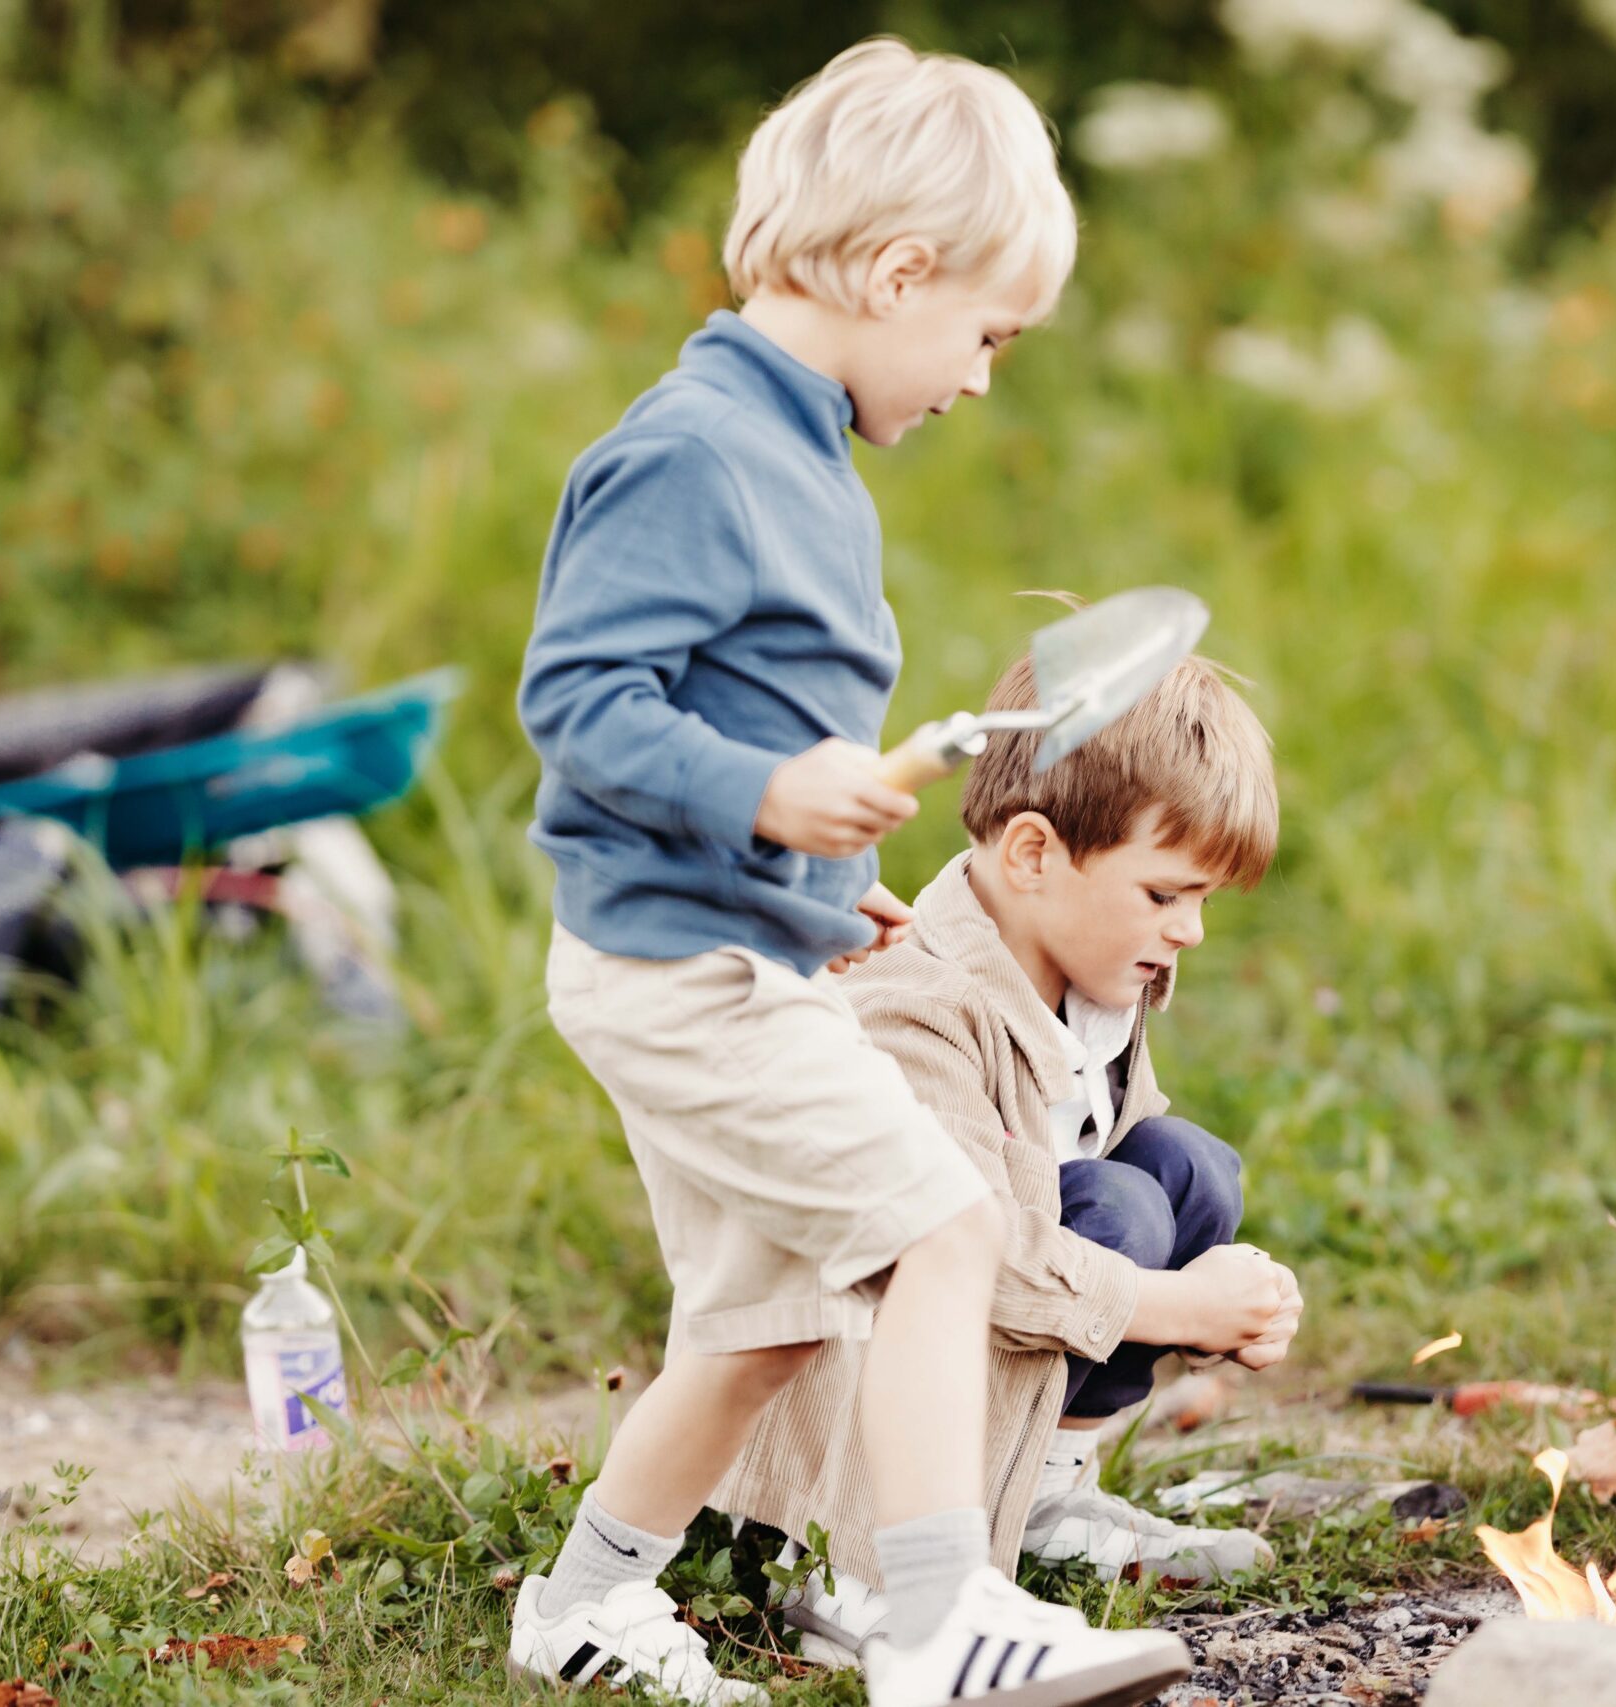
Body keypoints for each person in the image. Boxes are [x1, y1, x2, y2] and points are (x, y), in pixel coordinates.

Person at [508, 40, 1190, 1704]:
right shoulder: (693, 453)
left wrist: (822, 893)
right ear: (897, 272)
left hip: (735, 947)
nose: (980, 376)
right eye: (985, 333)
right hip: (674, 973)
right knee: (946, 1228)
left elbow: (750, 736)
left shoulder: (802, 455)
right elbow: (580, 705)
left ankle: (584, 1605)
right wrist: (759, 793)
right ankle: (939, 1617)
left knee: (766, 1325)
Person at [716, 642, 1300, 1661]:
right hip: (842, 1415)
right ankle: (856, 1570)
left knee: (1179, 1172)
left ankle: (1037, 1499)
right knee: (1114, 1218)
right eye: (1166, 894)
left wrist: (1207, 1299)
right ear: (1032, 855)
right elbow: (972, 1258)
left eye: (1203, 900)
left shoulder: (1091, 982)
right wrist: (1179, 1307)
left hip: (999, 1322)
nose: (1192, 932)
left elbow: (1102, 1192)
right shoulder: (914, 1005)